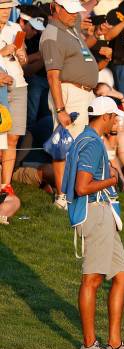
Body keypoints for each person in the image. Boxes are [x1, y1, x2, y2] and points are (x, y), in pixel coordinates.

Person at [62, 96, 124, 349]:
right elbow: (82, 187)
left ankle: (115, 344)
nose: (118, 121)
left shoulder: (88, 139)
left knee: (122, 275)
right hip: (95, 213)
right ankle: (89, 345)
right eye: (115, 116)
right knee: (92, 279)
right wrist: (110, 179)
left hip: (103, 214)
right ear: (106, 117)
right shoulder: (93, 144)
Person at [39, 0, 98, 209]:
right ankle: (63, 196)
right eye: (71, 10)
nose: (75, 15)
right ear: (56, 7)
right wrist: (61, 109)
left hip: (84, 94)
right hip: (69, 95)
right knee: (64, 146)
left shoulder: (69, 26)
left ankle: (76, 190)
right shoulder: (52, 35)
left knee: (82, 145)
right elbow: (53, 77)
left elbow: (87, 8)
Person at [0, 0, 28, 203]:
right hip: (0, 87)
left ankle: (5, 184)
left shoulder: (15, 27)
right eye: (1, 7)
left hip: (18, 85)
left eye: (8, 7)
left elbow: (24, 59)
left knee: (13, 137)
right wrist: (2, 53)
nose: (5, 11)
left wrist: (21, 54)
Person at [18, 5, 49, 130]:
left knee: (43, 117)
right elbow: (21, 67)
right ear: (22, 22)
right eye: (34, 28)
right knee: (30, 119)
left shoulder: (36, 37)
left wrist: (41, 58)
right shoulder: (18, 35)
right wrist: (38, 57)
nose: (36, 32)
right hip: (26, 82)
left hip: (40, 80)